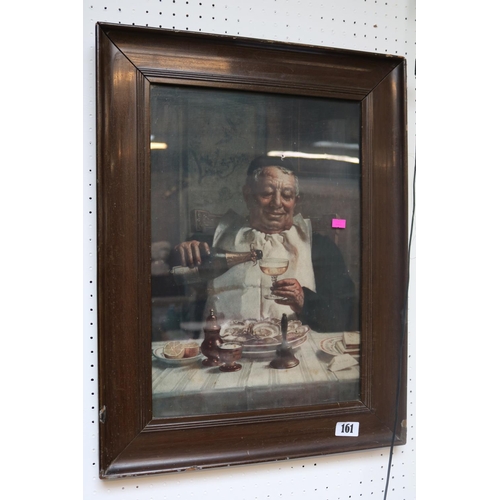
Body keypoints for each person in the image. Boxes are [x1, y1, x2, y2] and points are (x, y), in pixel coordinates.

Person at [170, 155, 355, 332]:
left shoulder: (320, 247)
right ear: (248, 195)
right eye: (266, 193)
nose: (276, 203)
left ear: (296, 201)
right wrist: (182, 254)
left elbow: (342, 316)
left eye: (287, 195)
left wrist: (304, 301)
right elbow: (173, 281)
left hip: (293, 354)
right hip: (226, 352)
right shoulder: (213, 241)